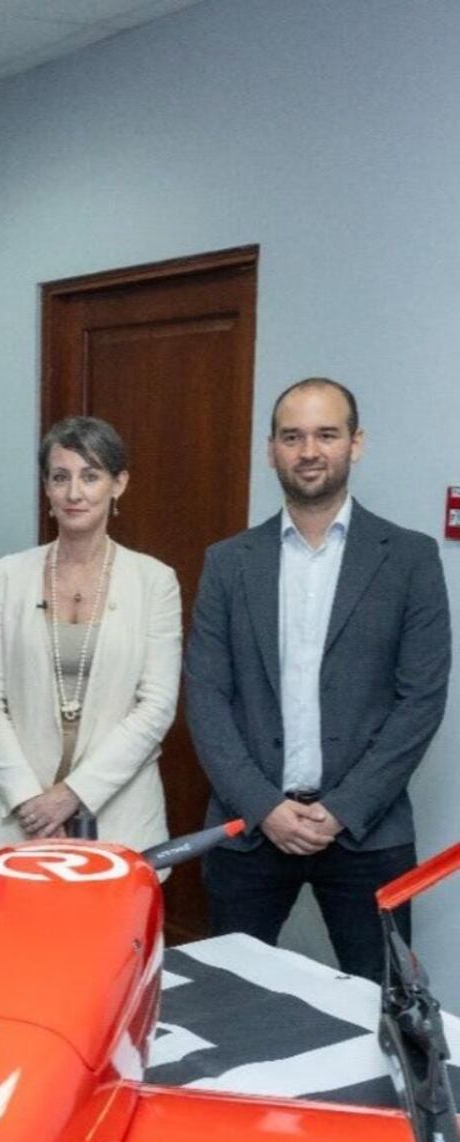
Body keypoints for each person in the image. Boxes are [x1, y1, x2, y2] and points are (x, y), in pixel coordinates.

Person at [184, 377, 451, 981]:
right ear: (270, 449)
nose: (309, 451)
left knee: (386, 1005)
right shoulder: (228, 563)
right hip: (249, 831)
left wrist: (342, 808)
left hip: (366, 833)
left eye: (326, 434)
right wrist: (265, 807)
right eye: (293, 436)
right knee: (229, 1004)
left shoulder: (409, 558)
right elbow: (207, 697)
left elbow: (421, 701)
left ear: (355, 444)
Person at [0, 417, 181, 865]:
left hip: (120, 816)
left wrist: (72, 794)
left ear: (118, 484)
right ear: (46, 487)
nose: (74, 493)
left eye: (91, 476)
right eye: (60, 477)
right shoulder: (9, 576)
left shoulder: (155, 581)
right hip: (18, 818)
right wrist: (31, 800)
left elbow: (157, 705)